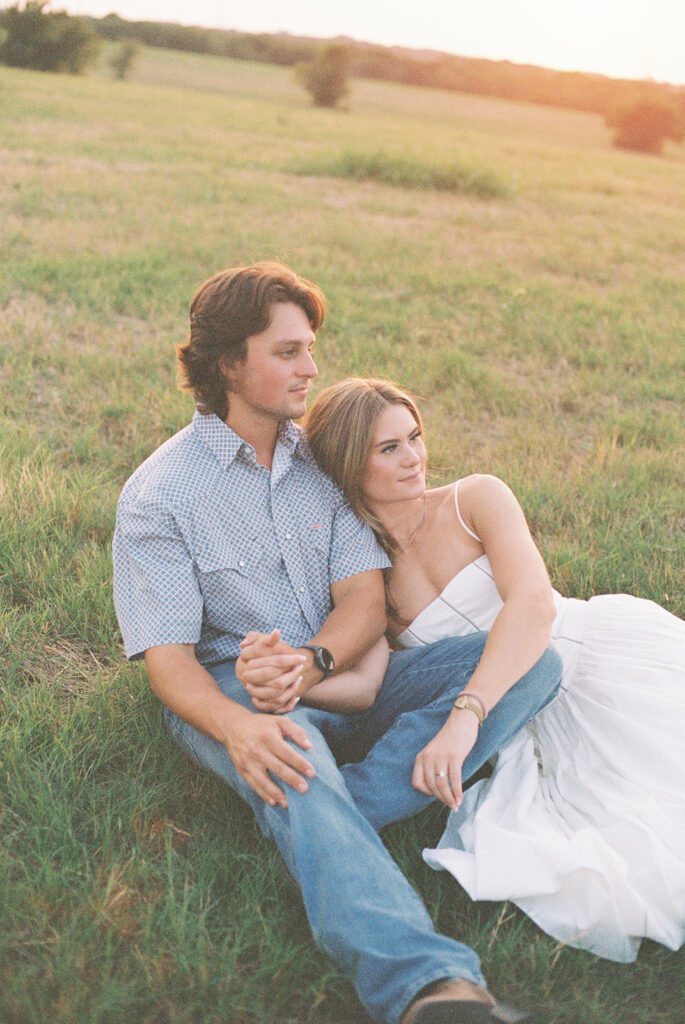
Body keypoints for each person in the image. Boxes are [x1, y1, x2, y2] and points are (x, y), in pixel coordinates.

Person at [112, 263, 563, 1024]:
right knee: (288, 757)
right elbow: (168, 662)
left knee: (535, 663)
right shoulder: (160, 497)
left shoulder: (320, 461)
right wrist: (239, 726)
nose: (311, 369)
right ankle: (430, 989)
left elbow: (361, 596)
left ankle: (337, 813)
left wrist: (316, 658)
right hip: (231, 685)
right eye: (287, 352)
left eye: (309, 348)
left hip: (345, 668)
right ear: (228, 364)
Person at [305, 376, 685, 965]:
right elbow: (369, 685)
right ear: (349, 465)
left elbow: (532, 604)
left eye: (415, 436)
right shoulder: (364, 573)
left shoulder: (474, 497)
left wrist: (464, 717)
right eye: (390, 449)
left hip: (588, 658)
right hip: (519, 716)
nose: (415, 458)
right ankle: (344, 811)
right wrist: (294, 679)